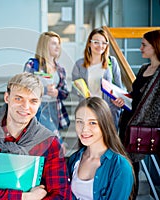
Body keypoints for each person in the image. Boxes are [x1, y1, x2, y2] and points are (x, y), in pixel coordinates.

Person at [0, 72, 71, 199]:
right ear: (7, 98)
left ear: (39, 103)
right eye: (19, 98)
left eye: (33, 101)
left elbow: (61, 194)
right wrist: (24, 197)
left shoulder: (49, 143)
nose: (25, 107)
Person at [118, 30, 160, 199]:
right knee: (129, 167)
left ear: (156, 46)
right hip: (129, 123)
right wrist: (122, 99)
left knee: (132, 164)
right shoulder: (144, 68)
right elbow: (136, 95)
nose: (140, 48)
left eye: (144, 45)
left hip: (147, 127)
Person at [67, 97, 134, 200]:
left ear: (104, 125)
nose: (84, 129)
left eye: (92, 123)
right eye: (79, 122)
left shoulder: (121, 167)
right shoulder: (73, 160)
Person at [24, 31, 70, 154]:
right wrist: (44, 90)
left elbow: (65, 93)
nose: (58, 47)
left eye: (59, 44)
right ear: (45, 45)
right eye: (54, 43)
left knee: (47, 146)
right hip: (38, 108)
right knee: (56, 142)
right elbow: (25, 87)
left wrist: (57, 93)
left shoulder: (60, 69)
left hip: (55, 108)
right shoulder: (32, 64)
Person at [72, 27, 124, 129]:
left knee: (108, 142)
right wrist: (84, 94)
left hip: (108, 111)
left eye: (104, 43)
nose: (100, 46)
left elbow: (119, 88)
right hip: (88, 110)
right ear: (89, 43)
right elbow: (74, 89)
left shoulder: (111, 62)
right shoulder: (79, 64)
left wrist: (118, 100)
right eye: (96, 42)